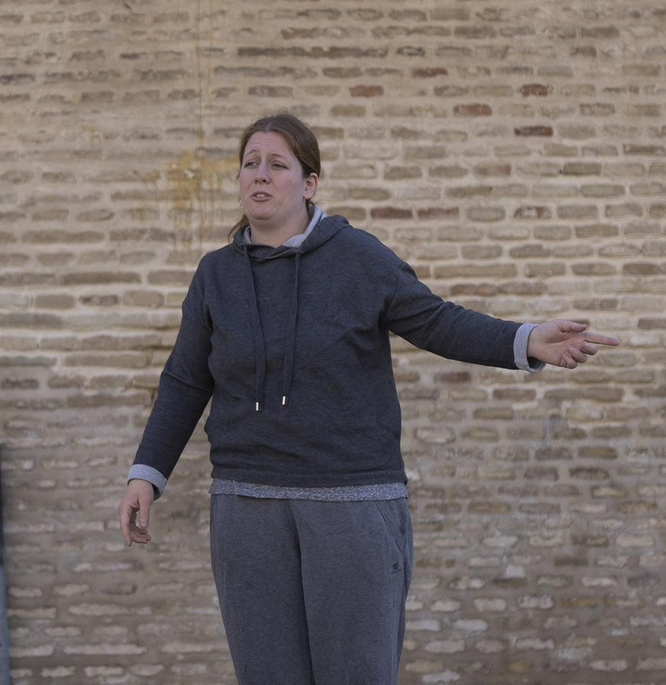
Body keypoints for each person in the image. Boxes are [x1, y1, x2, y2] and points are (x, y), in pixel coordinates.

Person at [117, 113, 619, 685]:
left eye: (277, 165)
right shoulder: (215, 276)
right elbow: (185, 380)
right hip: (246, 506)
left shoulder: (358, 257)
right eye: (250, 164)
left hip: (350, 503)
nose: (260, 175)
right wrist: (147, 473)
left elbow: (436, 322)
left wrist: (526, 338)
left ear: (309, 184)